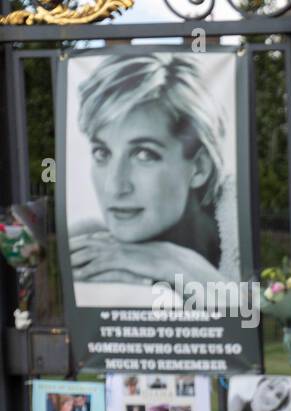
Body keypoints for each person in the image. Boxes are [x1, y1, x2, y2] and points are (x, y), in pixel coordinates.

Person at [68, 53, 235, 297]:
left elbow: (249, 325)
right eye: (102, 153)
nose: (114, 187)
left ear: (199, 167)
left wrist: (179, 265)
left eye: (144, 154)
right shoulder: (89, 251)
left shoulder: (244, 238)